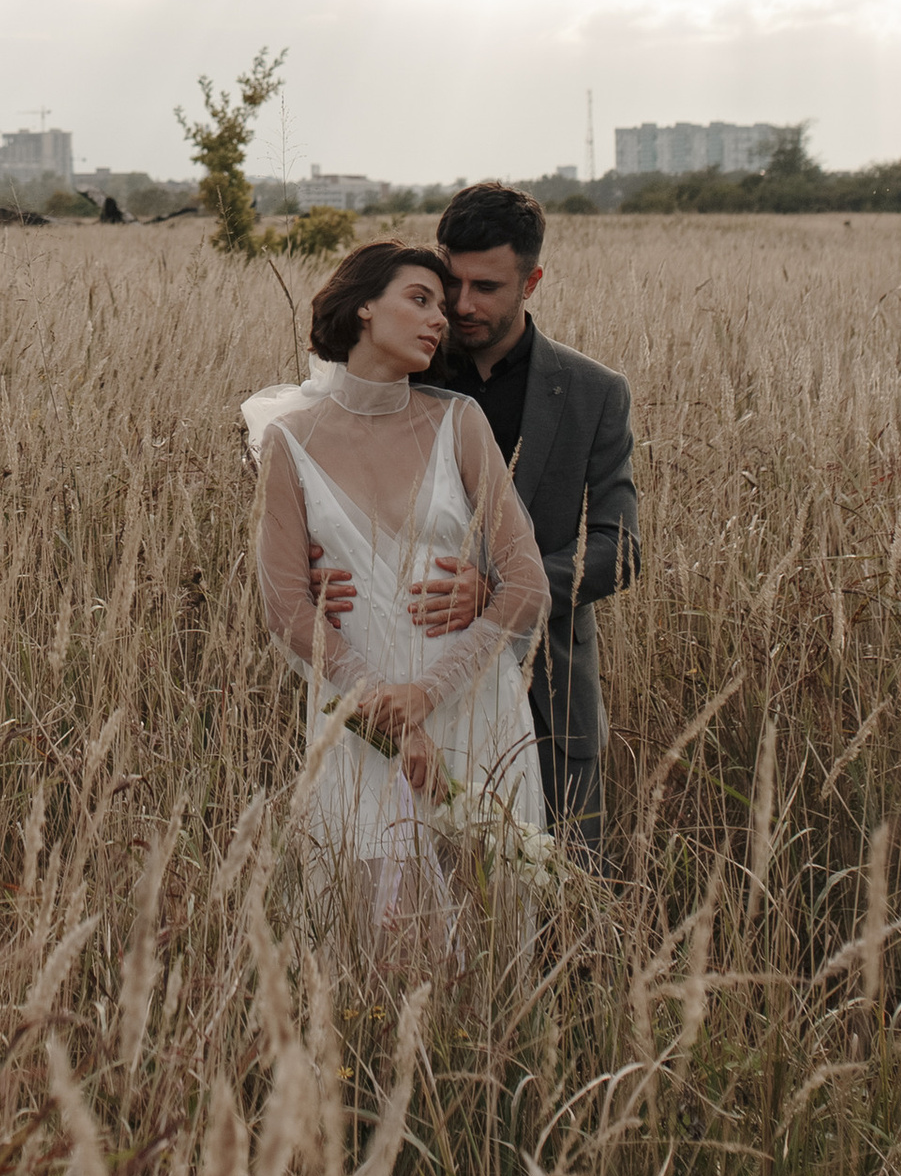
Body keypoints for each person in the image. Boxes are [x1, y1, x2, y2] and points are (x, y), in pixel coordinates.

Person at [306, 183, 638, 859]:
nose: (461, 305)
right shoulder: (401, 365)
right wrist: (315, 558)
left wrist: (500, 589)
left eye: (486, 287)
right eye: (449, 282)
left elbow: (619, 548)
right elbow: (317, 479)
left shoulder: (593, 392)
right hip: (402, 687)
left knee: (558, 899)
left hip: (545, 695)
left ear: (532, 281)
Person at [248, 239, 549, 911]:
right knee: (384, 947)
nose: (439, 318)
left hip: (474, 707)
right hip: (360, 722)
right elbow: (286, 607)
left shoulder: (459, 422)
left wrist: (429, 692)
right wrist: (384, 703)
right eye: (419, 300)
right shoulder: (288, 442)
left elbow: (530, 583)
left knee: (485, 937)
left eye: (441, 307)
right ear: (360, 309)